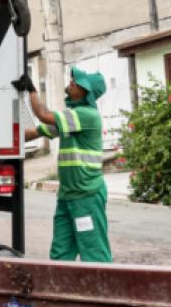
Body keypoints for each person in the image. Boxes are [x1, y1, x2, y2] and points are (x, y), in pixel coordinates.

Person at [13, 66, 112, 263]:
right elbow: (34, 132)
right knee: (61, 253)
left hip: (86, 197)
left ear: (86, 92)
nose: (72, 82)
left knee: (93, 252)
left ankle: (99, 289)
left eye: (77, 82)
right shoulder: (70, 118)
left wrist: (32, 90)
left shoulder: (85, 115)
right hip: (67, 196)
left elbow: (43, 114)